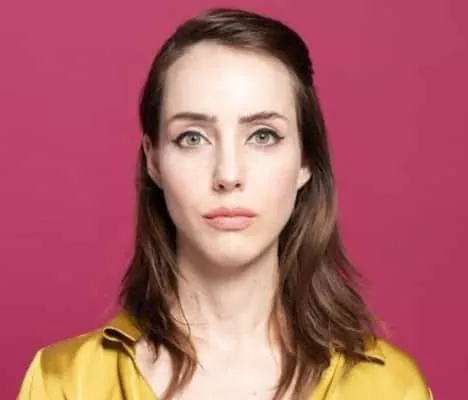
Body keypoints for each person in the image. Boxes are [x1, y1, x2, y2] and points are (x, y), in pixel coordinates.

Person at [18, 7, 432, 400]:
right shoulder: (65, 383)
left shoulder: (390, 388)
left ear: (306, 160)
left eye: (263, 135)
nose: (228, 174)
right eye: (192, 137)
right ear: (154, 161)